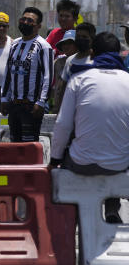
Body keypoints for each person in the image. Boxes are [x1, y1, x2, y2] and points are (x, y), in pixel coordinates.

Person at [50, 31, 129, 223]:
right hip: (119, 165)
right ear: (119, 54)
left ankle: (77, 214)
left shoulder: (79, 80)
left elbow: (62, 125)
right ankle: (111, 207)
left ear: (92, 54)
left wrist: (54, 159)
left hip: (82, 162)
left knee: (70, 160)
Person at [1, 6, 53, 143]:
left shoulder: (43, 46)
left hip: (31, 106)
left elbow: (48, 76)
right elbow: (8, 73)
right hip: (14, 104)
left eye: (30, 21)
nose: (25, 23)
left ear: (38, 26)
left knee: (28, 145)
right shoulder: (15, 44)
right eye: (23, 19)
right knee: (14, 143)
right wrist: (4, 98)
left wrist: (41, 102)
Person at [54, 22, 95, 107]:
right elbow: (62, 88)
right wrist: (58, 108)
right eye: (78, 37)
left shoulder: (96, 60)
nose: (66, 46)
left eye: (69, 43)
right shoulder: (67, 61)